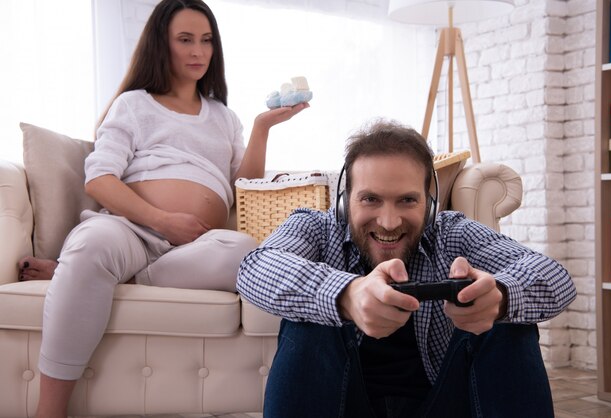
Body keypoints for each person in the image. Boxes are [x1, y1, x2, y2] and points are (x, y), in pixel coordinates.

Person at [33, 0, 308, 417]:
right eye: (185, 40)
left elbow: (243, 186)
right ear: (162, 45)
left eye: (206, 41)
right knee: (93, 245)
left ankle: (104, 276)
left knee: (242, 251)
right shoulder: (134, 105)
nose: (198, 51)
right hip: (130, 230)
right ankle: (48, 410)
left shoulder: (223, 117)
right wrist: (163, 220)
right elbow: (99, 179)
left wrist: (260, 127)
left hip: (189, 251)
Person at [237, 120, 577, 418]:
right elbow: (255, 267)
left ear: (429, 204)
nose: (388, 222)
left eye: (407, 200)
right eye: (370, 199)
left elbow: (554, 275)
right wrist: (346, 295)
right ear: (345, 200)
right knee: (310, 319)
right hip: (341, 405)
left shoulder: (453, 232)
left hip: (443, 404)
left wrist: (500, 297)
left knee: (507, 319)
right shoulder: (314, 227)